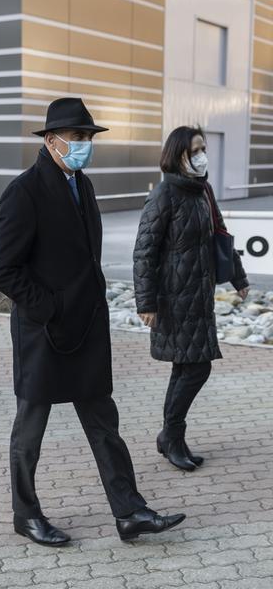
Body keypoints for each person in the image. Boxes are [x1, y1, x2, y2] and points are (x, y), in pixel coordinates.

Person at [0, 97, 186, 546]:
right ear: (52, 141)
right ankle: (26, 514)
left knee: (104, 425)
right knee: (30, 431)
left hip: (87, 331)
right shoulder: (24, 191)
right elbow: (2, 269)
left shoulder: (84, 184)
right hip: (45, 334)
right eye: (77, 138)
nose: (84, 146)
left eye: (88, 138)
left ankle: (130, 512)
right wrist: (50, 307)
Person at [133, 126, 249, 471]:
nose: (202, 155)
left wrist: (238, 279)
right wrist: (146, 302)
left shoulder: (203, 191)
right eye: (195, 150)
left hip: (199, 296)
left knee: (186, 366)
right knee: (197, 367)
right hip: (173, 298)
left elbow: (221, 236)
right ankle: (171, 434)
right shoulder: (164, 195)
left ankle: (172, 437)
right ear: (177, 155)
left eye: (203, 148)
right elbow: (144, 252)